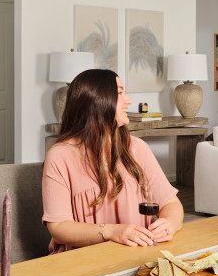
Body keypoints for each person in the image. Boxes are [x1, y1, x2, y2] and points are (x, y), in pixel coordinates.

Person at [42, 68, 184, 252]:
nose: (128, 100)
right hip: (82, 262)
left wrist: (169, 224)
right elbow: (59, 228)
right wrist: (112, 232)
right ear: (96, 101)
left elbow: (171, 203)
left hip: (135, 254)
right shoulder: (60, 156)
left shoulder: (137, 147)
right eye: (119, 93)